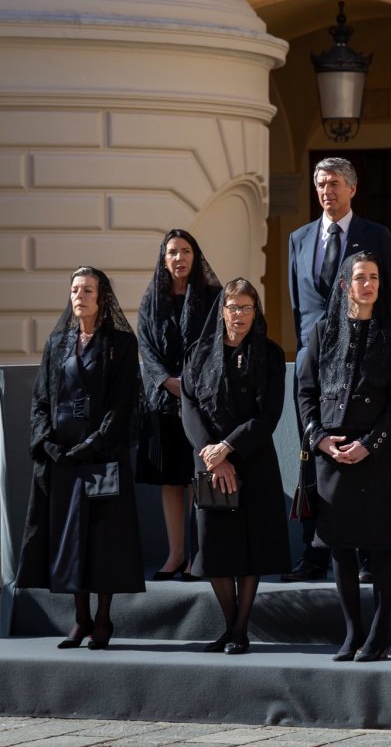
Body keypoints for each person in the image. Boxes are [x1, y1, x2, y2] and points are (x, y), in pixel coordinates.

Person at [285, 156, 391, 583]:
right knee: (314, 453)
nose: (326, 191)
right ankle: (315, 551)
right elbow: (299, 307)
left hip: (362, 361)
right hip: (315, 361)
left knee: (361, 454)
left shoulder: (375, 235)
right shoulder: (299, 238)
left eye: (334, 183)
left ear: (352, 188)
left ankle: (367, 554)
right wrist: (308, 355)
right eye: (320, 184)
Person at [16, 267, 145, 649]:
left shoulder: (121, 344)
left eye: (87, 290)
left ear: (101, 297)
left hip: (102, 458)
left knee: (103, 541)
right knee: (70, 539)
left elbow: (122, 403)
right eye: (75, 290)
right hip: (64, 462)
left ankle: (103, 620)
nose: (79, 296)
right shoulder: (57, 342)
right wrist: (48, 443)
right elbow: (41, 399)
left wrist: (94, 443)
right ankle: (80, 619)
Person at [297, 252, 391, 662]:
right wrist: (320, 440)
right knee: (340, 548)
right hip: (330, 454)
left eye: (375, 277)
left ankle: (379, 636)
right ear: (346, 284)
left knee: (380, 547)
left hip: (374, 453)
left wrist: (370, 443)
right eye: (361, 277)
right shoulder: (323, 331)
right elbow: (306, 392)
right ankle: (352, 634)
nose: (369, 285)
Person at [181, 278, 291, 655]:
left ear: (255, 312)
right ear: (222, 311)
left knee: (250, 547)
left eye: (247, 307)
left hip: (253, 458)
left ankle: (241, 629)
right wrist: (212, 454)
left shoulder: (270, 354)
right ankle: (229, 626)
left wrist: (229, 448)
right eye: (233, 307)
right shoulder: (198, 353)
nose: (240, 315)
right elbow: (189, 407)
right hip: (209, 461)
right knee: (214, 548)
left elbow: (269, 414)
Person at [137, 229, 221, 581]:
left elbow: (217, 342)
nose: (179, 258)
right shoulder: (152, 299)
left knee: (194, 478)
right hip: (162, 401)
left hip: (200, 401)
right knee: (170, 481)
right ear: (164, 258)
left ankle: (197, 556)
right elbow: (145, 345)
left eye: (186, 251)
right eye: (172, 252)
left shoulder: (212, 296)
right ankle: (175, 555)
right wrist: (166, 380)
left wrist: (188, 384)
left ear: (195, 256)